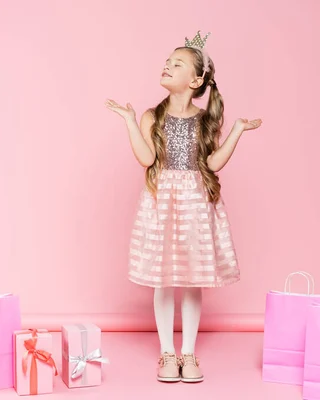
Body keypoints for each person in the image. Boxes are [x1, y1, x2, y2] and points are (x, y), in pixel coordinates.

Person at [105, 31, 262, 383]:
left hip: (194, 203)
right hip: (161, 204)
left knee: (192, 281)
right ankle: (167, 353)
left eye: (176, 64)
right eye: (166, 62)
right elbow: (147, 158)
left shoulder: (206, 120)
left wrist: (236, 130)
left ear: (195, 80)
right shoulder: (151, 116)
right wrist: (130, 121)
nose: (167, 65)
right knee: (163, 280)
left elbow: (215, 162)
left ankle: (188, 353)